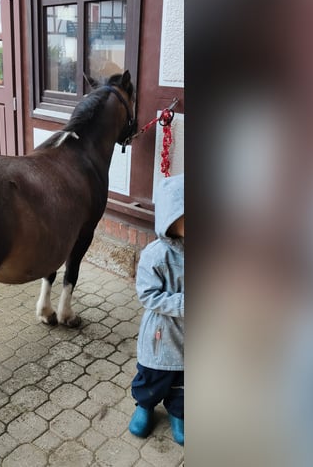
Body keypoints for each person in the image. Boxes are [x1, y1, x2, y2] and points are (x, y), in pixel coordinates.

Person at [128, 173, 184, 445]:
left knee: (185, 381)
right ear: (170, 218)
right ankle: (145, 405)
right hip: (161, 334)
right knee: (153, 375)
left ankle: (178, 412)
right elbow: (147, 295)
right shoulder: (156, 254)